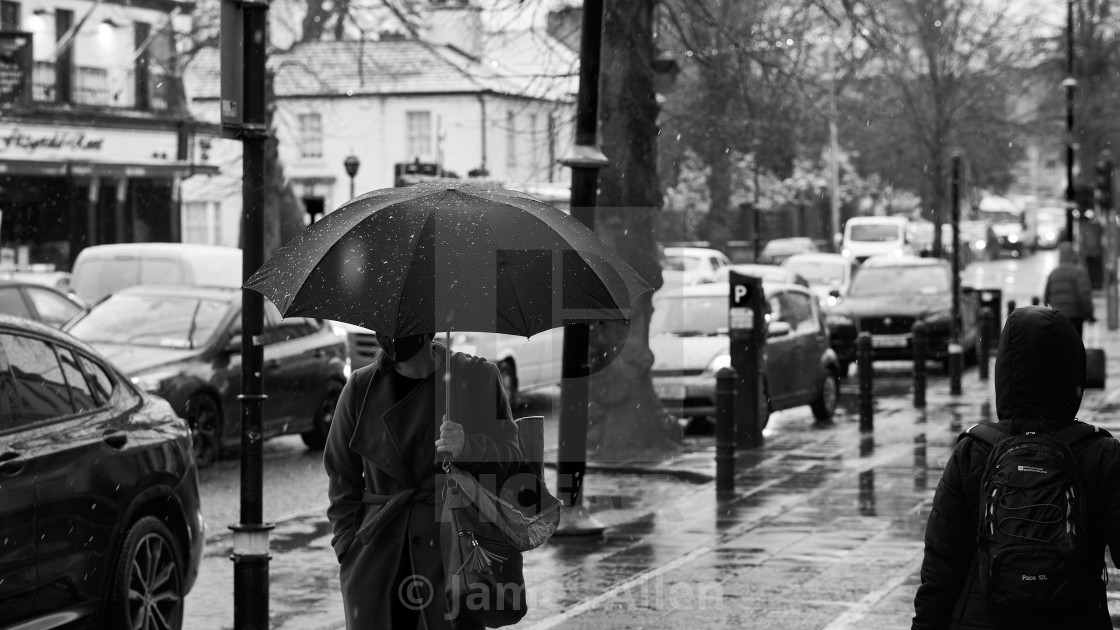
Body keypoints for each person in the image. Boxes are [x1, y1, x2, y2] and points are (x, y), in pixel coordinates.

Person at [912, 306, 1120, 630]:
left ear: (1005, 370)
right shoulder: (1101, 454)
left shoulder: (974, 451)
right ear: (1073, 370)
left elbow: (941, 568)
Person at [324, 331, 522, 630]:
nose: (392, 330)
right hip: (378, 557)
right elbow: (341, 475)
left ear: (427, 325)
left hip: (454, 553)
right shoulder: (360, 388)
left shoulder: (477, 377)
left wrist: (469, 447)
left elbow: (513, 461)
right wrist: (347, 547)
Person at [1043, 241, 1095, 336]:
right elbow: (1084, 295)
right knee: (1075, 345)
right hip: (1076, 317)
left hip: (1057, 317)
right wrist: (1089, 313)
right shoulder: (1079, 272)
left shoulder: (1053, 273)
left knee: (1060, 346)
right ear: (1073, 254)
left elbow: (1046, 297)